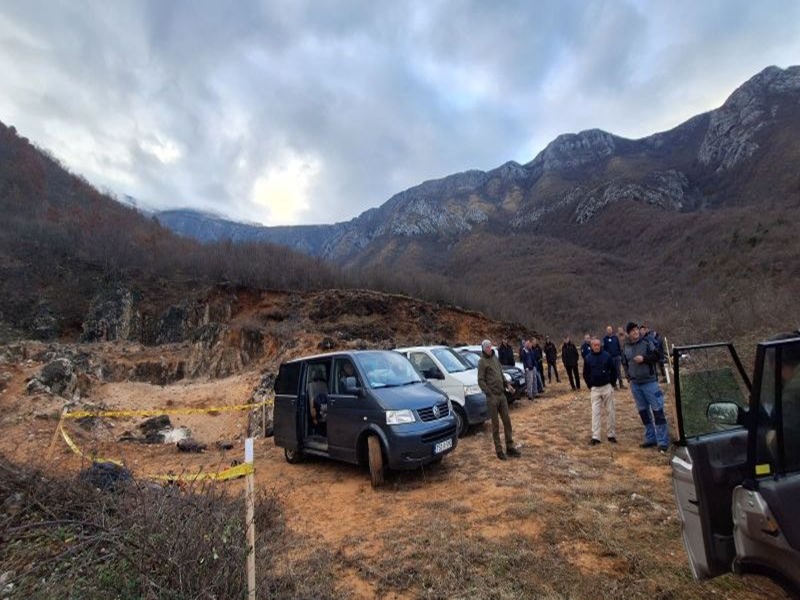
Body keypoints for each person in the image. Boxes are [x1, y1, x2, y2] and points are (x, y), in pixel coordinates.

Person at [622, 321, 670, 451]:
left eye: (636, 330)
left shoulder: (647, 343)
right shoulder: (626, 347)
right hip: (636, 384)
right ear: (628, 334)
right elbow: (625, 363)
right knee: (643, 412)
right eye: (632, 331)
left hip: (650, 383)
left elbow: (657, 356)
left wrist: (644, 359)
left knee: (657, 411)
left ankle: (663, 441)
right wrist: (629, 377)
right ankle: (650, 438)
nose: (635, 332)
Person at [477, 339, 520, 460]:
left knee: (507, 421)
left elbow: (500, 374)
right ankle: (499, 450)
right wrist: (489, 393)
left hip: (502, 395)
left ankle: (510, 446)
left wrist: (507, 385)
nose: (490, 349)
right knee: (495, 426)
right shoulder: (482, 362)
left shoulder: (495, 358)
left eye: (490, 347)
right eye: (487, 347)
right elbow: (480, 380)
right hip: (492, 398)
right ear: (484, 349)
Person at [583, 338, 617, 445]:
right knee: (595, 413)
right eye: (595, 345)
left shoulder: (607, 356)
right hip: (595, 389)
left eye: (598, 345)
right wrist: (590, 385)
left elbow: (613, 370)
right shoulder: (588, 358)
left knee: (610, 411)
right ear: (592, 346)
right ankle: (596, 436)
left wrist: (612, 383)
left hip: (607, 387)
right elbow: (585, 374)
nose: (597, 347)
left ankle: (611, 434)